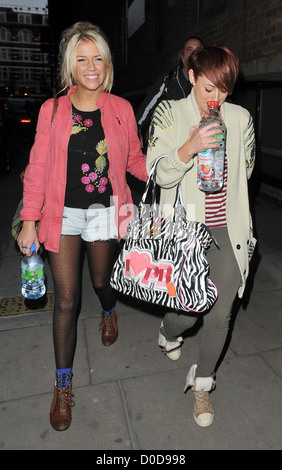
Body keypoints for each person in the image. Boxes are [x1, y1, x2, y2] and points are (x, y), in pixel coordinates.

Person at [17, 21, 147, 432]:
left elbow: (134, 162)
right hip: (63, 214)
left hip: (107, 212)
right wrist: (29, 221)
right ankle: (62, 387)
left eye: (98, 59)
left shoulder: (121, 109)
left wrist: (176, 162)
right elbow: (37, 168)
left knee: (101, 282)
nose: (91, 67)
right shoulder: (52, 110)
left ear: (107, 64)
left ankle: (109, 310)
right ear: (70, 67)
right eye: (81, 59)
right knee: (67, 301)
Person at [146, 44, 256, 427]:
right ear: (191, 76)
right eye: (209, 87)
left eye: (224, 89)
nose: (216, 97)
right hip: (185, 227)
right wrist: (189, 147)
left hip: (227, 227)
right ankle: (167, 329)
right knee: (187, 311)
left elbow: (247, 167)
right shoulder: (169, 112)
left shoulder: (240, 117)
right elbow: (156, 172)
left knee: (220, 312)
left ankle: (202, 384)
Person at [136, 36, 204, 149]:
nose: (194, 52)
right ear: (182, 55)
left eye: (198, 49)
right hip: (171, 142)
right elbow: (147, 107)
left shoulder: (210, 82)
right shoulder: (169, 80)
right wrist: (136, 130)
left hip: (200, 142)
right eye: (189, 49)